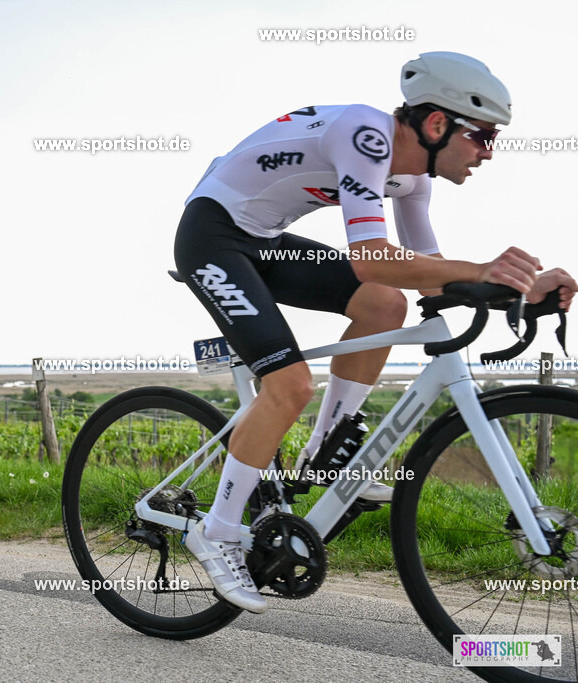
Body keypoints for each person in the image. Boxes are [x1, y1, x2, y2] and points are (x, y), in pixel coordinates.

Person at [173, 52, 576, 613]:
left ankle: (328, 449)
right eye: (483, 137)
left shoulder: (413, 180)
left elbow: (430, 279)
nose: (488, 153)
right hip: (212, 236)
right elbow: (370, 257)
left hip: (266, 241)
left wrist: (519, 287)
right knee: (289, 386)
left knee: (385, 305)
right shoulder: (365, 133)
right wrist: (482, 268)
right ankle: (215, 533)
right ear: (438, 125)